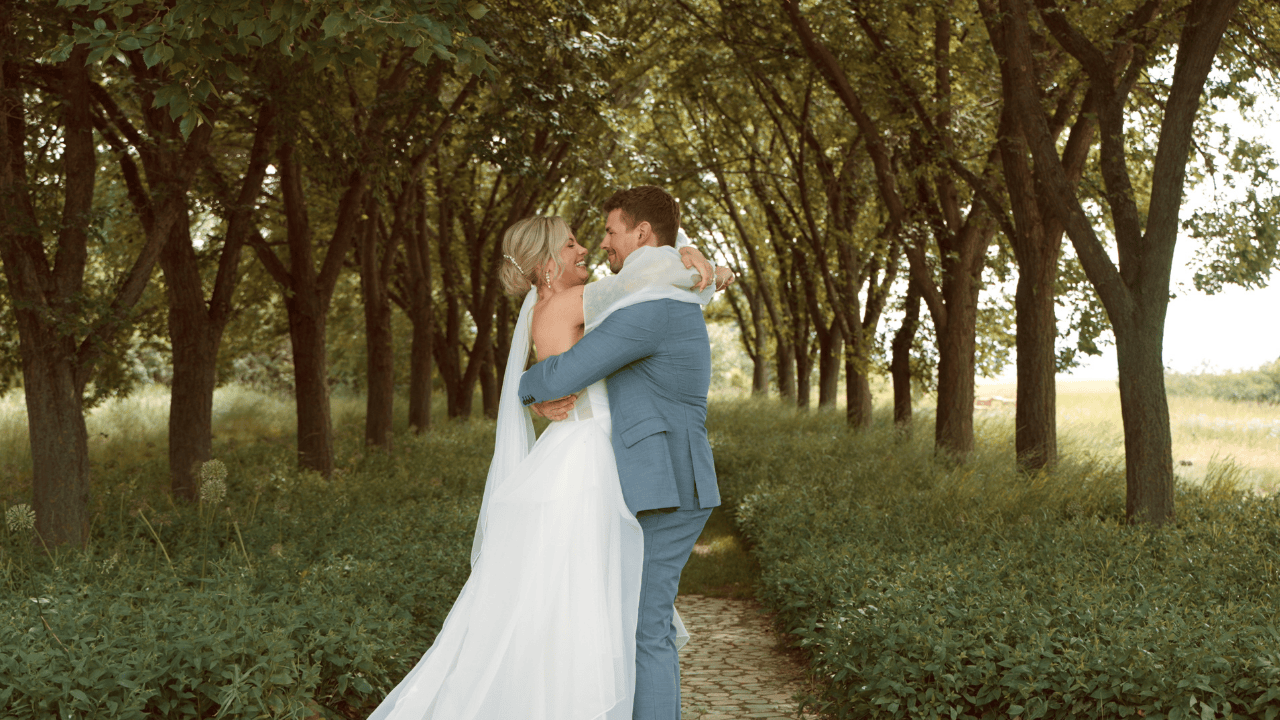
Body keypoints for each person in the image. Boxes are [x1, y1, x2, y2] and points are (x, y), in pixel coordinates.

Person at [367, 211, 725, 720]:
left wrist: (691, 254)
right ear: (546, 264)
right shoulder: (574, 302)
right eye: (573, 244)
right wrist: (692, 259)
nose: (587, 250)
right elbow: (651, 284)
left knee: (577, 607)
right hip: (587, 464)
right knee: (593, 609)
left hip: (580, 456)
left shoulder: (553, 305)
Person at [519, 186, 725, 720]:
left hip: (671, 482)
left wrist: (522, 385)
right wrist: (696, 256)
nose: (601, 243)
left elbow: (565, 374)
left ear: (641, 234)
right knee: (635, 623)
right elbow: (692, 275)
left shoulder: (650, 308)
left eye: (610, 232)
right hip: (659, 480)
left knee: (645, 628)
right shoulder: (655, 290)